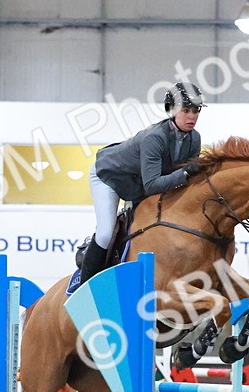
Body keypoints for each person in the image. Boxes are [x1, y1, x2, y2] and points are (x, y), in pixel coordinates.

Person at [79, 82, 205, 284]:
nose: (192, 116)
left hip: (136, 184)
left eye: (196, 111)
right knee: (105, 233)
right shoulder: (155, 138)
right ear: (172, 110)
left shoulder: (194, 139)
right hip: (108, 176)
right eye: (186, 110)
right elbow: (153, 185)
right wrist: (186, 173)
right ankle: (84, 287)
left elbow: (182, 181)